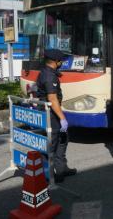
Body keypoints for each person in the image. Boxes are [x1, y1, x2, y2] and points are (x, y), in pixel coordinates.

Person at [36, 49, 77, 183]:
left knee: (63, 139)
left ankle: (61, 170)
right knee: (52, 144)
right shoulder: (49, 76)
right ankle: (49, 176)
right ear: (56, 61)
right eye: (61, 61)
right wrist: (62, 118)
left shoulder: (45, 72)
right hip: (51, 114)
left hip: (50, 112)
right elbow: (53, 99)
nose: (62, 63)